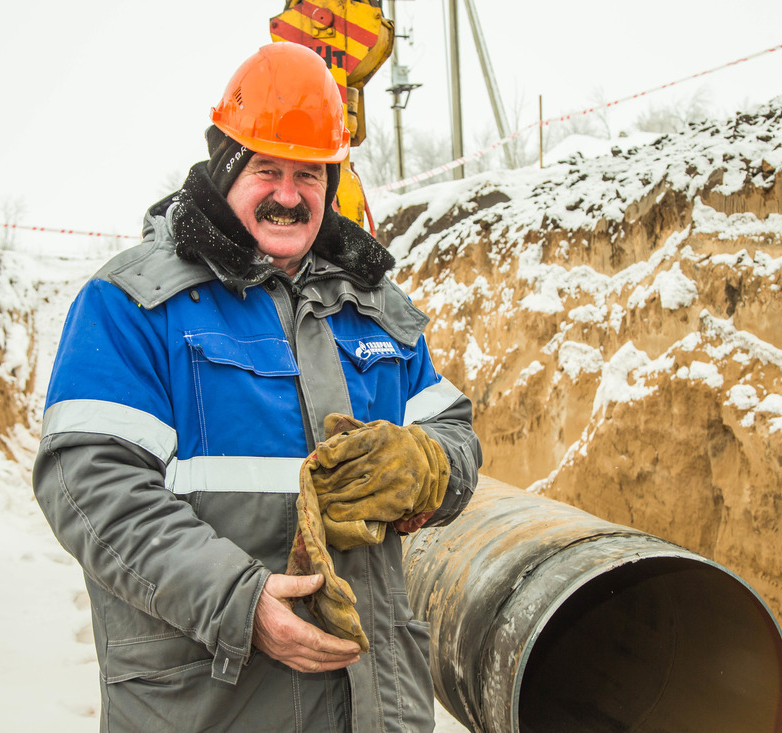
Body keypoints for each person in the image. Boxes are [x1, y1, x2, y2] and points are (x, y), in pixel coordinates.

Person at [34, 42, 481, 733]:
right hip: (213, 703)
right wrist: (239, 604)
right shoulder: (133, 304)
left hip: (375, 705)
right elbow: (90, 483)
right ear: (224, 167)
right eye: (266, 168)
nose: (287, 193)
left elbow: (455, 433)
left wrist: (427, 466)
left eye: (309, 173)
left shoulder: (371, 308)